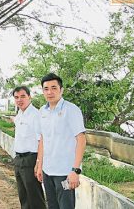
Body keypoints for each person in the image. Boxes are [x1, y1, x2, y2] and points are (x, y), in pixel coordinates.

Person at [35, 73, 86, 209]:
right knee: (52, 206)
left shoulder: (71, 110)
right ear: (43, 91)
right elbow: (43, 139)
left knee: (66, 206)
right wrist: (39, 165)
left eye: (54, 88)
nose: (50, 92)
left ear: (61, 90)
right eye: (46, 89)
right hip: (47, 171)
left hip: (65, 173)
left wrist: (75, 170)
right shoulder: (42, 112)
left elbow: (81, 140)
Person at [12, 86, 46, 209]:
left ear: (29, 97)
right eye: (16, 97)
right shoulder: (19, 114)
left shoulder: (35, 115)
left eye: (22, 96)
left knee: (35, 197)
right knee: (24, 197)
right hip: (19, 160)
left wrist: (39, 163)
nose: (19, 100)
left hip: (31, 159)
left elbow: (41, 141)